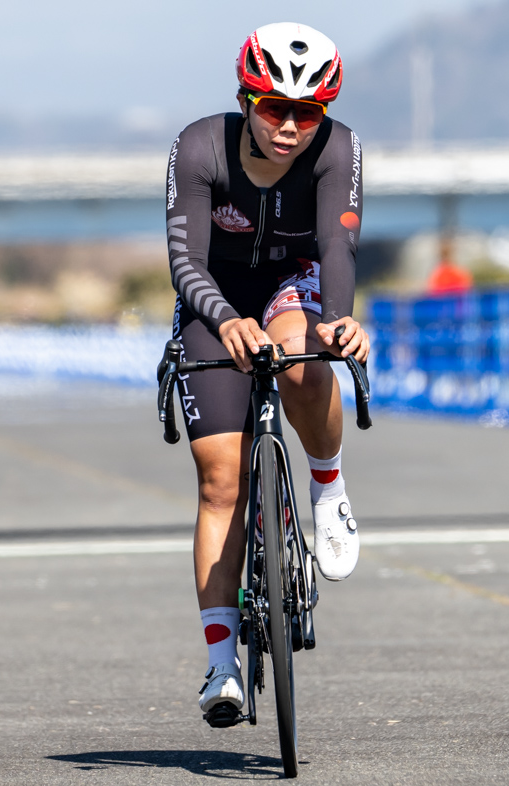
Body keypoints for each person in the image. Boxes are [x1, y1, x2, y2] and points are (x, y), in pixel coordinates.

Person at [166, 22, 369, 726]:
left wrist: (338, 321)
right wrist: (225, 319)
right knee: (220, 479)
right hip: (214, 298)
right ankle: (221, 664)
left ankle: (327, 485)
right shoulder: (199, 147)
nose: (289, 126)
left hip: (293, 284)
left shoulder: (338, 148)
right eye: (274, 108)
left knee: (303, 360)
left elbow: (338, 244)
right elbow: (185, 262)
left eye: (307, 112)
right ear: (245, 100)